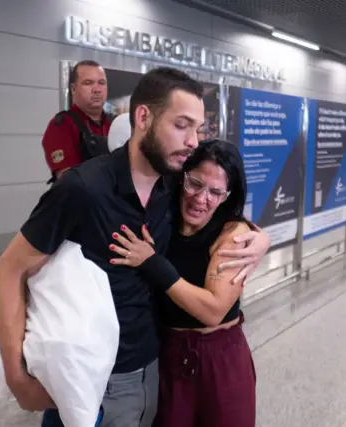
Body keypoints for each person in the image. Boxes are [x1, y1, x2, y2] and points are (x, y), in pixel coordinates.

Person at [0, 67, 270, 427]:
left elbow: (217, 216)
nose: (192, 141)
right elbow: (10, 270)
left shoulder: (171, 188)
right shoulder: (83, 189)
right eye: (182, 125)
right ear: (143, 117)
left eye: (197, 129)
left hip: (153, 370)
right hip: (91, 375)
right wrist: (17, 378)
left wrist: (260, 238)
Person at [109, 139, 257, 427]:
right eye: (195, 184)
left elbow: (213, 309)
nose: (201, 199)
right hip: (167, 352)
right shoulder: (161, 219)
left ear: (228, 196)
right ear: (182, 178)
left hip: (221, 359)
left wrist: (152, 263)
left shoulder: (234, 233)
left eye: (215, 192)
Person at [42, 60, 111, 183]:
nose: (97, 89)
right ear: (73, 89)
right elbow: (69, 181)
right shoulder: (62, 126)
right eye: (88, 83)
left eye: (101, 83)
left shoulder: (114, 124)